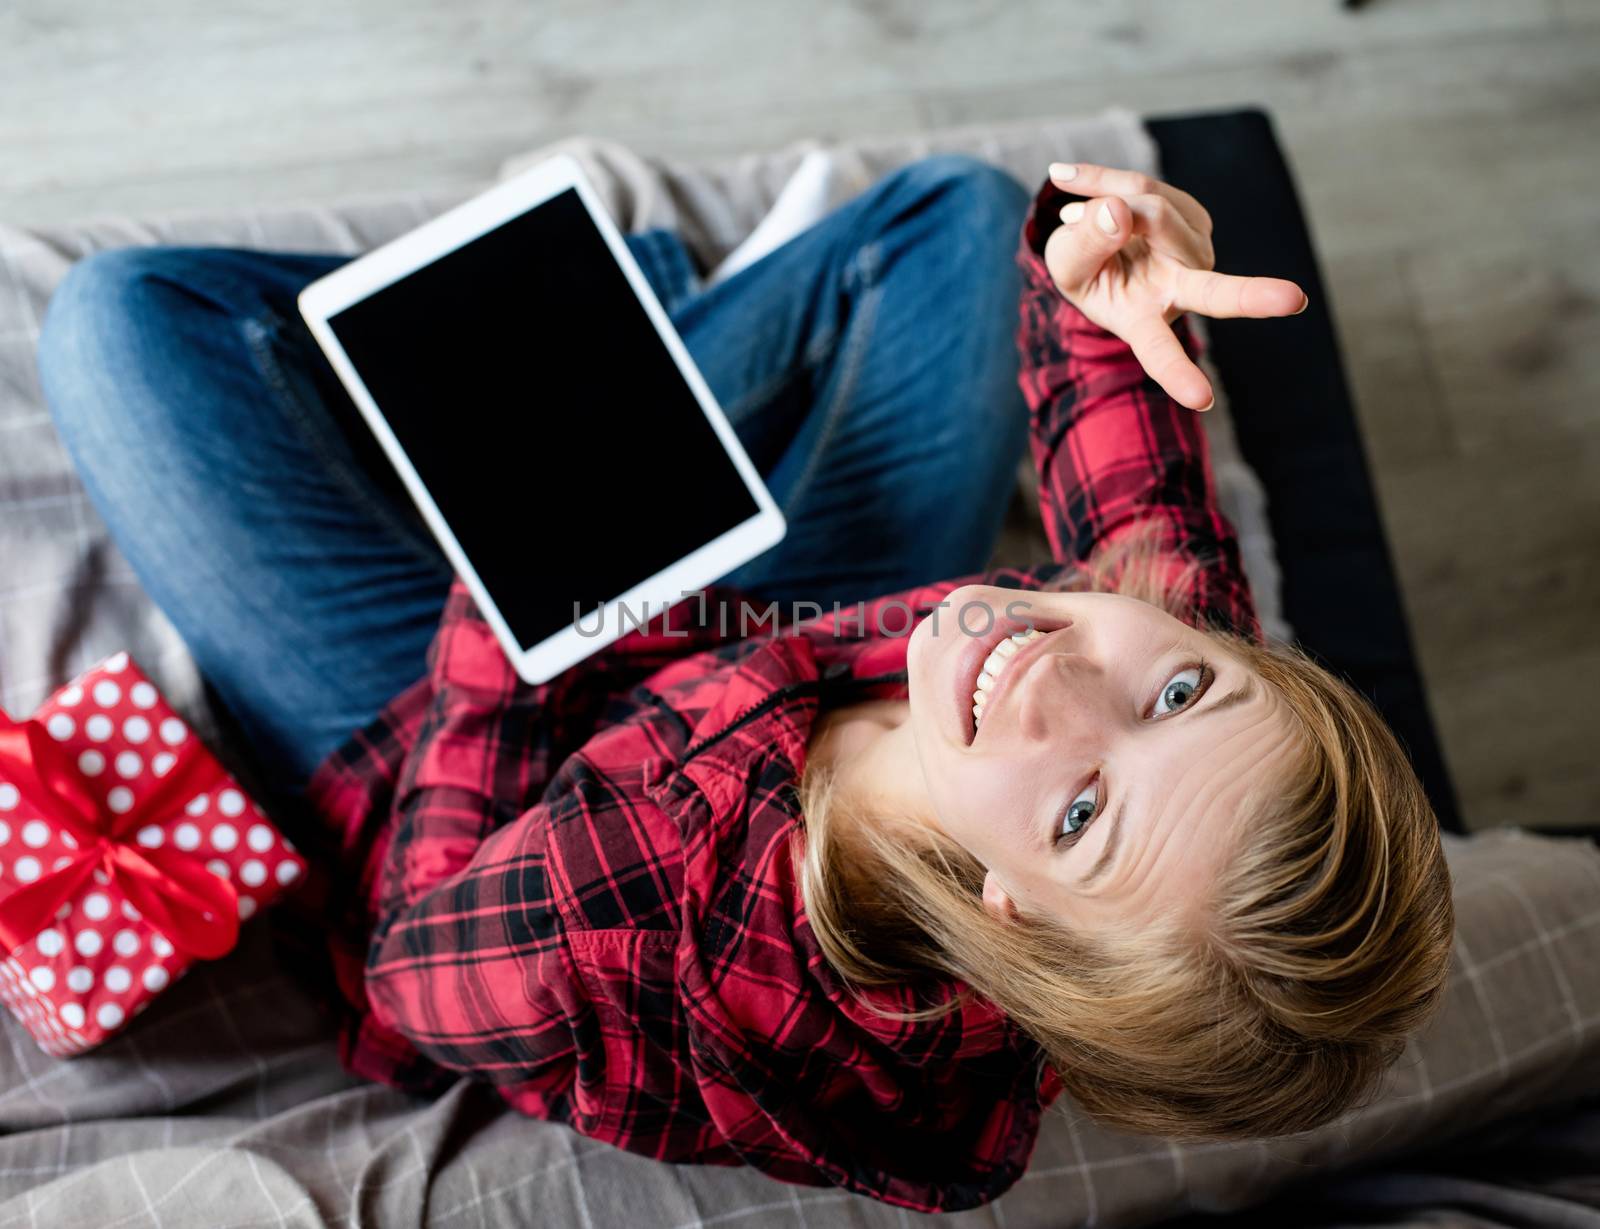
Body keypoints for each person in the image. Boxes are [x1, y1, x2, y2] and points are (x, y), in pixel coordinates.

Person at [34, 153, 1454, 1214]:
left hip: (485, 724)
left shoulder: (643, 930)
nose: (1058, 672)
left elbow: (416, 965)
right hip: (778, 619)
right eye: (1183, 691)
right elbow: (1145, 507)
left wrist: (523, 573)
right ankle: (616, 382)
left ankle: (592, 373)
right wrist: (1103, 288)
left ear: (1009, 916)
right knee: (963, 220)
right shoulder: (1181, 700)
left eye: (1082, 810)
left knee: (119, 322)